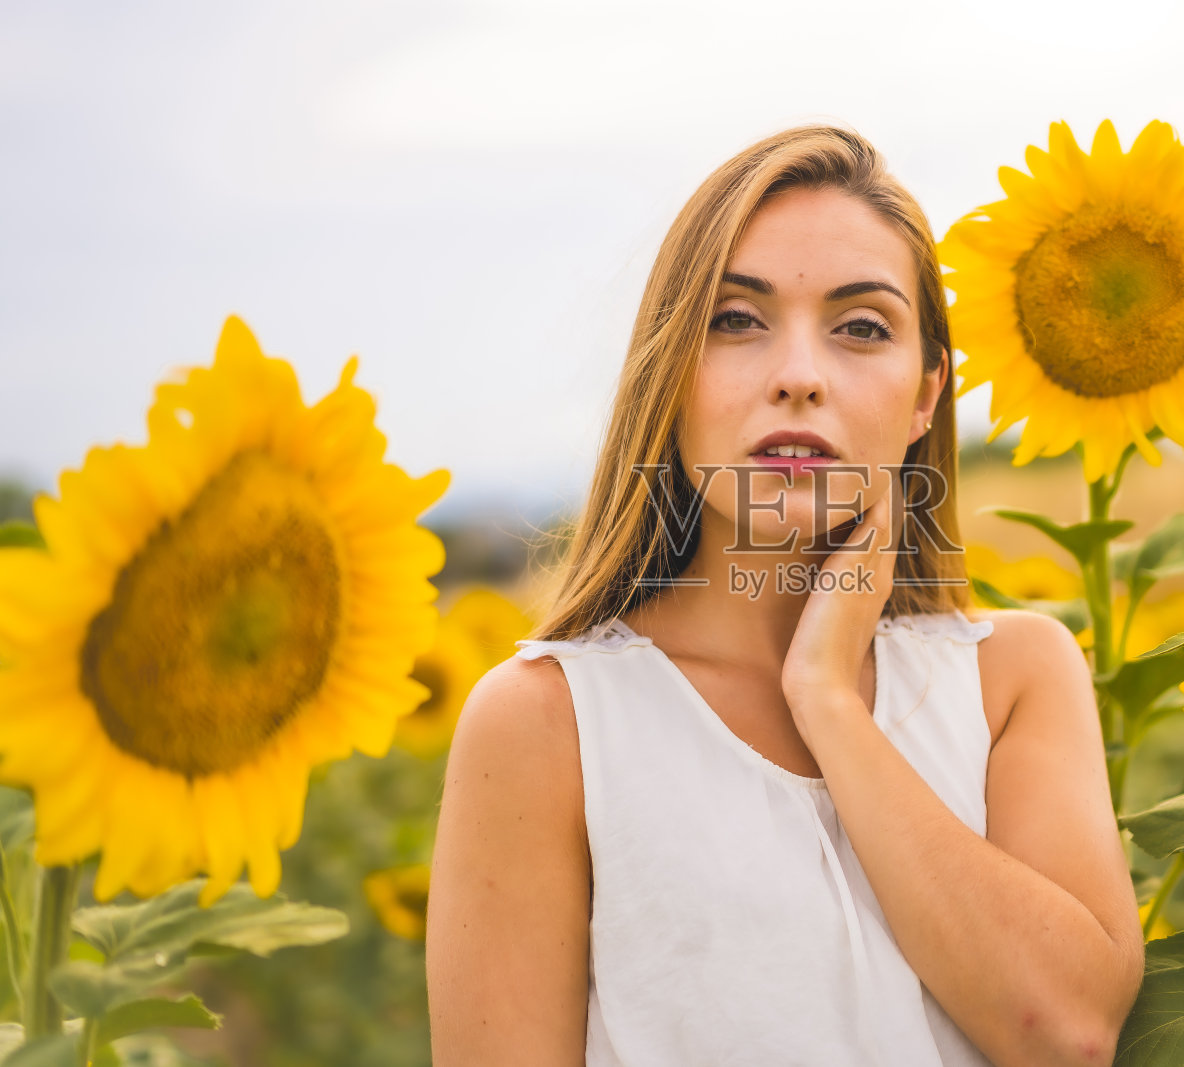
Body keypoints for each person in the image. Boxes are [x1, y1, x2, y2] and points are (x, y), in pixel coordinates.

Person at [426, 124, 1144, 1066]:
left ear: (927, 395)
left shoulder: (1012, 677)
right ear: (669, 372)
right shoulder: (547, 726)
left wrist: (828, 700)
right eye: (735, 319)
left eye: (861, 327)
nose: (799, 376)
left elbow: (1067, 1031)